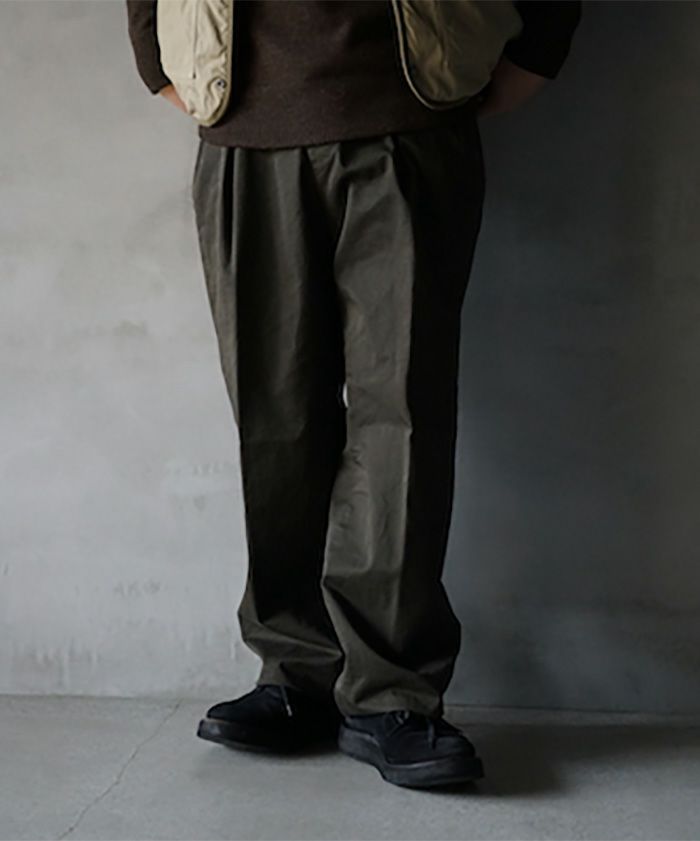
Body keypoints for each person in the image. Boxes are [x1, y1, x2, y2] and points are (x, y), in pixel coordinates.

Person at [126, 0, 581, 789]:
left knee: (401, 416)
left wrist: (540, 46)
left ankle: (391, 693)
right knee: (274, 419)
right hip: (243, 128)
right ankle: (295, 671)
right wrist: (153, 53)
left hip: (410, 120)